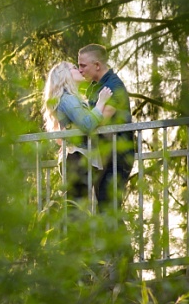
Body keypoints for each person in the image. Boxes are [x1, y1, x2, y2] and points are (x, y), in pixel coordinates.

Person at [43, 61, 113, 208]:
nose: (79, 70)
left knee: (82, 209)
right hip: (77, 158)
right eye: (74, 68)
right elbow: (87, 124)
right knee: (77, 211)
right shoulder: (67, 99)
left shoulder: (73, 99)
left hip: (83, 157)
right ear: (65, 75)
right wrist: (101, 102)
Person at [76, 44, 136, 213]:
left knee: (108, 209)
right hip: (105, 157)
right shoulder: (93, 87)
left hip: (118, 157)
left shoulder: (114, 86)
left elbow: (100, 121)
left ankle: (121, 241)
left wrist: (83, 119)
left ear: (97, 65)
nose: (80, 70)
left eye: (83, 65)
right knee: (105, 209)